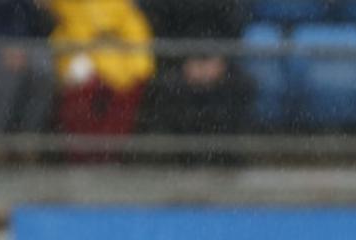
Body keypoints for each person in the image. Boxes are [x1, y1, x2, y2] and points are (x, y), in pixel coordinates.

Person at [138, 0, 255, 165]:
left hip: (219, 60)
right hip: (173, 61)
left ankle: (224, 157)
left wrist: (218, 58)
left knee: (241, 85)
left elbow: (233, 23)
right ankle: (183, 158)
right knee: (168, 87)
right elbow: (155, 25)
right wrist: (182, 59)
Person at [48, 0, 154, 162]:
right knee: (79, 97)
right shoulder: (70, 7)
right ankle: (82, 156)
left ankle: (107, 155)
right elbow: (69, 26)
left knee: (125, 99)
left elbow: (136, 32)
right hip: (80, 59)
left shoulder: (122, 7)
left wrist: (140, 67)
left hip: (119, 65)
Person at [0, 0, 55, 139]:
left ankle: (27, 140)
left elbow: (39, 28)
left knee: (43, 70)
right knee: (6, 75)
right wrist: (2, 48)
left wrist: (43, 10)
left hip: (24, 47)